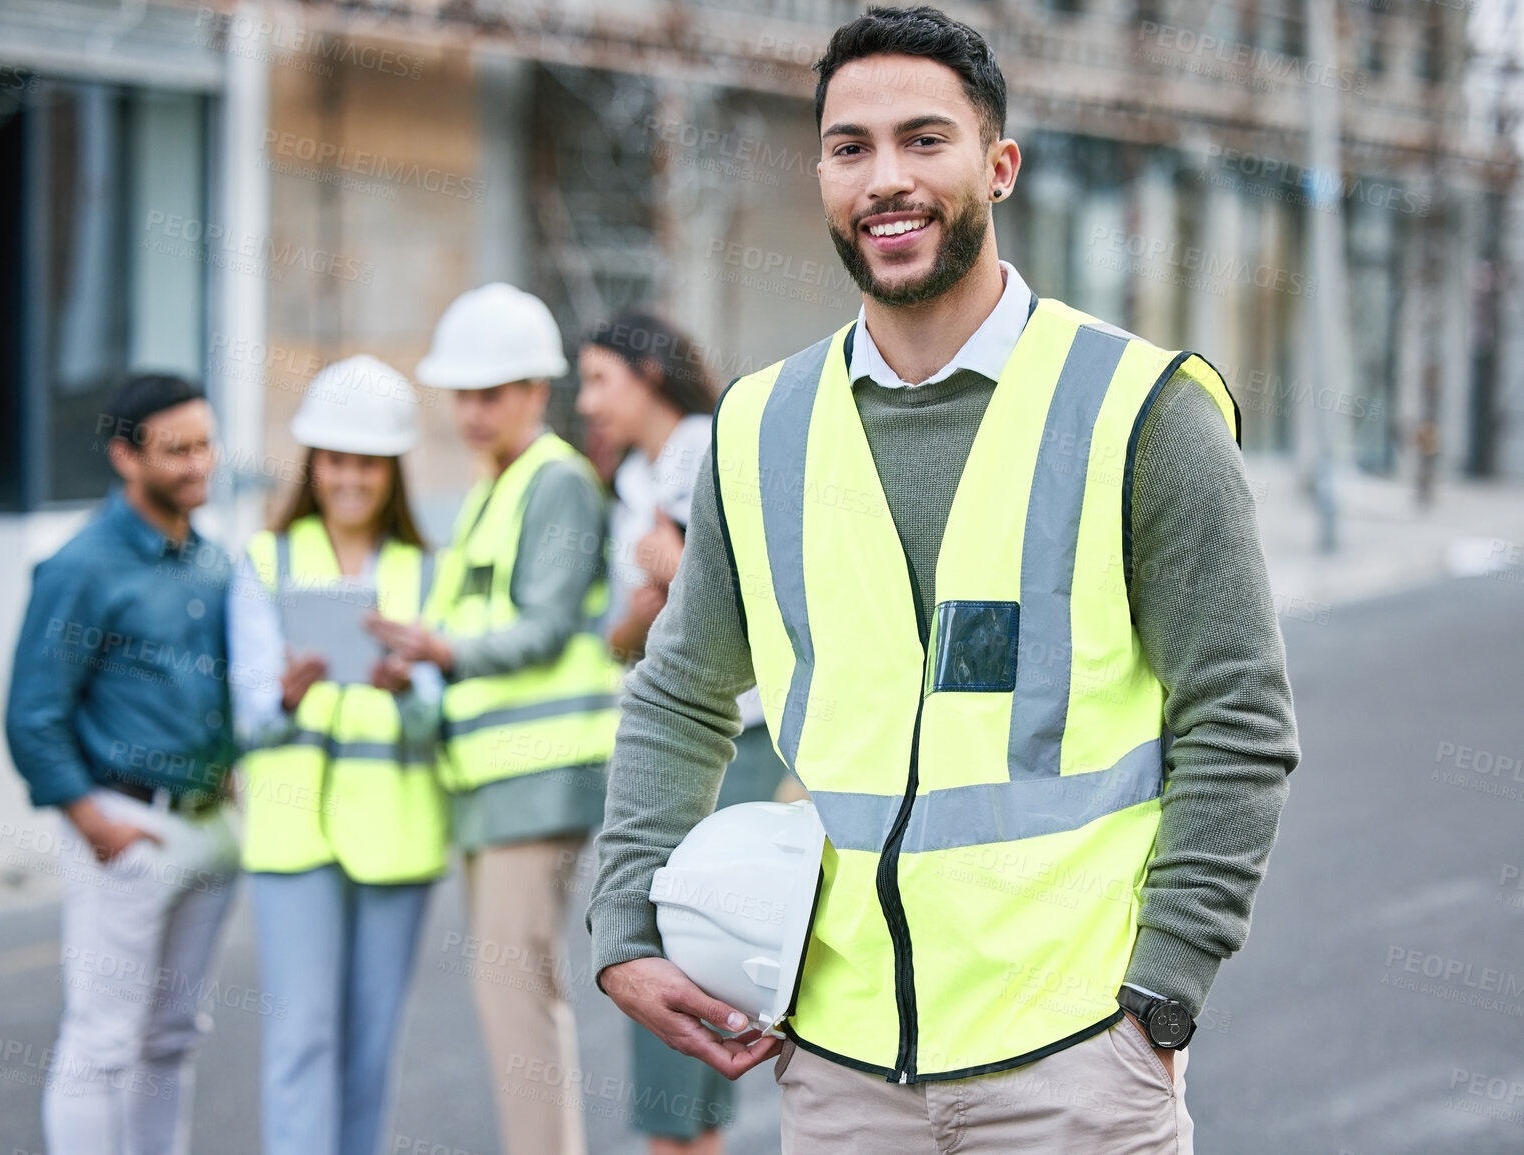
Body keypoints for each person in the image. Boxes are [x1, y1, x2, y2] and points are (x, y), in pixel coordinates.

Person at [588, 8, 1299, 1154]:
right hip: (840, 1069)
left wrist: (1165, 987)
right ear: (821, 174)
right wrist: (626, 922)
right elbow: (680, 693)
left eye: (926, 140)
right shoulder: (758, 428)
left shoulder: (1141, 410)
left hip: (1075, 1063)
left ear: (998, 166)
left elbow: (1238, 714)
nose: (887, 180)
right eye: (852, 148)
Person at [369, 282, 621, 1155]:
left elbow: (546, 625)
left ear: (532, 391)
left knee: (517, 998)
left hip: (538, 778)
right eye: (462, 396)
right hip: (491, 782)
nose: (471, 413)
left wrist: (439, 651)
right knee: (506, 996)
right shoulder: (494, 489)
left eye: (489, 394)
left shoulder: (553, 484)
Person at [5, 374, 240, 1155]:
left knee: (171, 1037)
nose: (198, 463)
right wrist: (95, 824)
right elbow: (32, 714)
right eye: (176, 450)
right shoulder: (80, 566)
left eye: (205, 443)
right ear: (124, 455)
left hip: (209, 831)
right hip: (125, 829)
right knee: (102, 1044)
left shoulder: (210, 560)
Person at [576, 311, 789, 1153]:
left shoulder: (704, 451)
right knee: (693, 977)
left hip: (731, 747)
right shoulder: (635, 477)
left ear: (648, 376)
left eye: (599, 379)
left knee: (697, 965)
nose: (587, 400)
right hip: (676, 741)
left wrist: (665, 577)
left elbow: (734, 602)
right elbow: (631, 629)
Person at [228, 356, 448, 1155]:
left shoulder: (426, 570)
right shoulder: (266, 562)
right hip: (293, 841)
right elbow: (248, 721)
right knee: (301, 1041)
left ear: (390, 471)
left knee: (368, 1049)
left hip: (396, 839)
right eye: (334, 459)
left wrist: (406, 688)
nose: (349, 477)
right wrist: (287, 696)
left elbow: (440, 719)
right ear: (311, 464)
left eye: (365, 462)